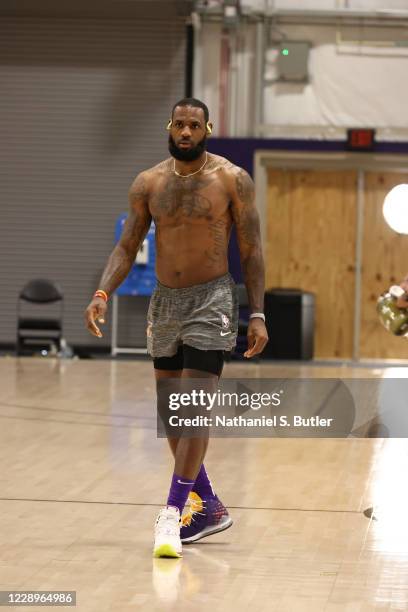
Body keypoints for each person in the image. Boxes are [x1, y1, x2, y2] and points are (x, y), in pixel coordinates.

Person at [84, 98, 268, 558]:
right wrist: (102, 292)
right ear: (170, 126)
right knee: (172, 418)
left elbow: (251, 250)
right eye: (180, 124)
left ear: (208, 129)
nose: (186, 132)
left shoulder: (232, 179)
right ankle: (209, 508)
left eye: (195, 125)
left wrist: (259, 312)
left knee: (192, 409)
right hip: (165, 302)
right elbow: (127, 246)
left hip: (212, 300)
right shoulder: (149, 183)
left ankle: (171, 513)